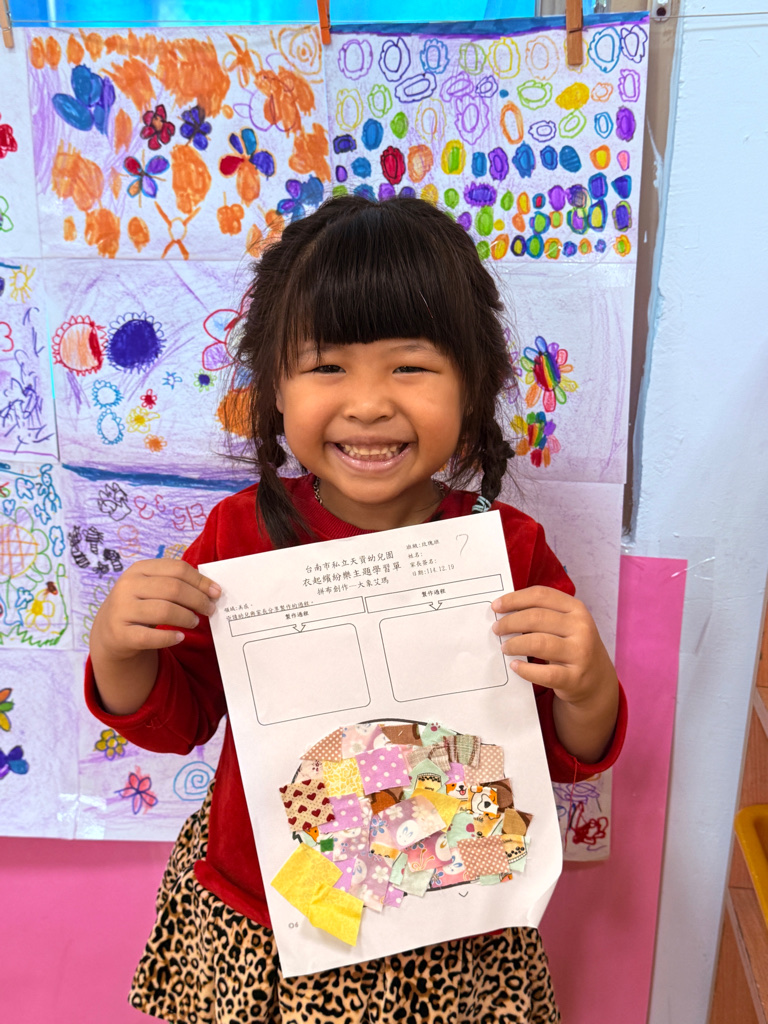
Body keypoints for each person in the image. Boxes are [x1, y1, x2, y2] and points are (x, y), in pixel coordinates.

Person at [86, 195, 627, 1024]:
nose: (369, 403)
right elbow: (179, 717)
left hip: (453, 930)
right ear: (273, 387)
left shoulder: (508, 550)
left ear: (474, 385)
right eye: (327, 366)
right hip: (271, 918)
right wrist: (119, 650)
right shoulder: (235, 536)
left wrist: (588, 687)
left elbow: (562, 753)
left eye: (410, 367)